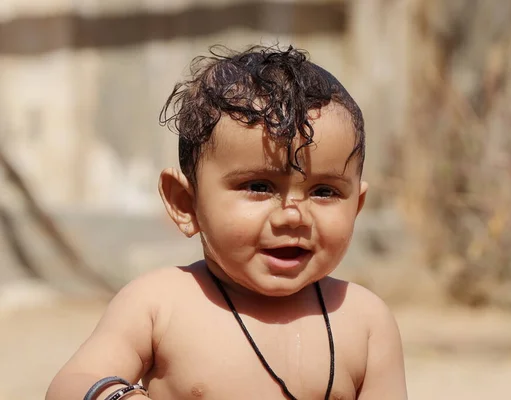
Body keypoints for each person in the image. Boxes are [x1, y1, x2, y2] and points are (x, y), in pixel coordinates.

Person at [46, 45, 407, 400]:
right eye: (259, 186)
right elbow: (72, 383)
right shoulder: (158, 304)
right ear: (185, 203)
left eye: (324, 191)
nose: (294, 215)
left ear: (356, 206)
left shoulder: (364, 322)